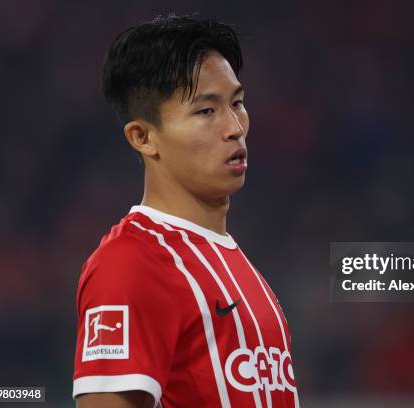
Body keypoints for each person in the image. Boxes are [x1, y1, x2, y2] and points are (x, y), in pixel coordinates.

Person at [72, 14, 299, 408]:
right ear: (142, 137)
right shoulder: (131, 263)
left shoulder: (238, 265)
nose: (234, 127)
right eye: (206, 111)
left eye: (238, 103)